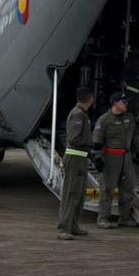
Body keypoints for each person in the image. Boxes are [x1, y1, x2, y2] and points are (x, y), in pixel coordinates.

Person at [93, 92, 139, 229]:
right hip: (110, 157)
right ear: (115, 103)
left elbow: (136, 136)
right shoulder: (104, 119)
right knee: (107, 189)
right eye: (124, 102)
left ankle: (125, 217)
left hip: (126, 157)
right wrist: (97, 158)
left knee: (128, 188)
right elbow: (97, 140)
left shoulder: (129, 118)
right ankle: (103, 218)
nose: (126, 104)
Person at [58, 87, 96, 240]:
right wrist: (91, 142)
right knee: (71, 193)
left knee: (78, 195)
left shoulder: (82, 114)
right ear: (90, 99)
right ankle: (63, 227)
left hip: (81, 158)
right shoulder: (78, 115)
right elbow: (74, 138)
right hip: (75, 158)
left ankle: (73, 225)